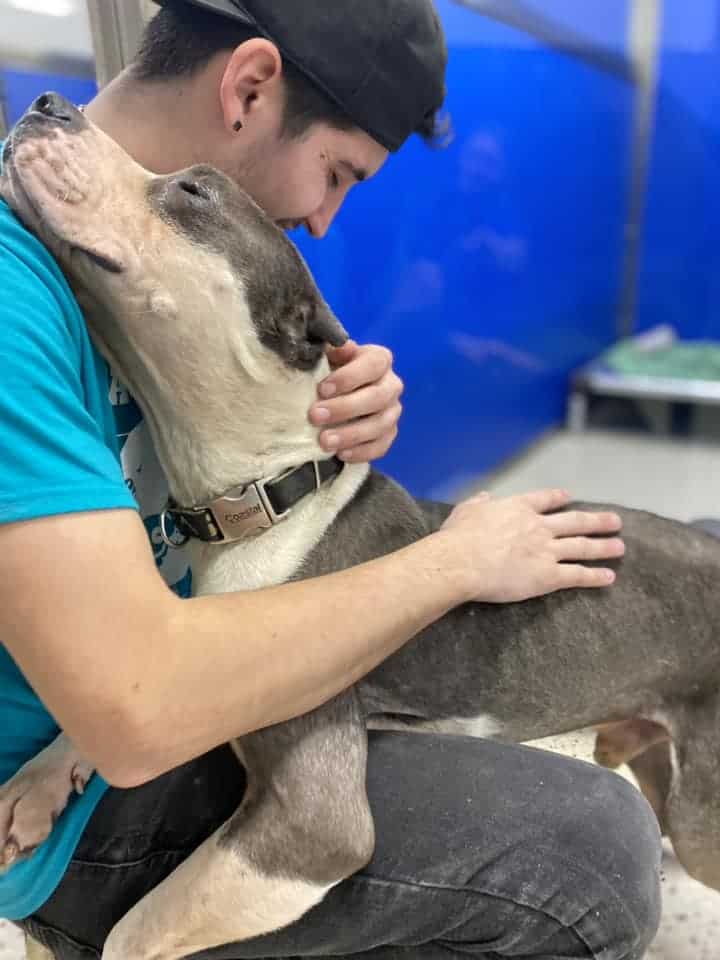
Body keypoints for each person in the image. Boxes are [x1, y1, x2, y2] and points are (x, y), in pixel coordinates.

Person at [0, 1, 661, 958]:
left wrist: (326, 399)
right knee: (588, 854)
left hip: (134, 718)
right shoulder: (22, 299)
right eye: (338, 172)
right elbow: (139, 710)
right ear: (251, 86)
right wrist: (456, 562)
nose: (323, 215)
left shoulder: (108, 268)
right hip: (104, 809)